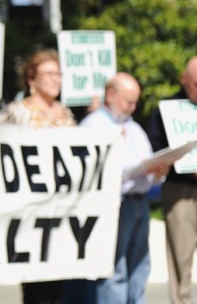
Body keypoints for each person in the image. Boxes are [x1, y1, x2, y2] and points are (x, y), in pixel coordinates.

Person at [0, 49, 76, 304]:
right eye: (48, 74)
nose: (55, 79)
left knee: (59, 286)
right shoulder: (17, 112)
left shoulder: (67, 114)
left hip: (63, 209)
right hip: (30, 211)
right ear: (32, 79)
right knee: (36, 287)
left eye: (58, 74)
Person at [80, 73, 166, 303]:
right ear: (110, 95)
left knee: (139, 265)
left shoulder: (135, 128)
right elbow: (94, 171)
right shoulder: (93, 125)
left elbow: (148, 165)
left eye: (135, 101)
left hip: (139, 202)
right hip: (114, 205)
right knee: (114, 269)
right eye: (128, 100)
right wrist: (135, 169)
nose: (133, 106)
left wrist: (157, 171)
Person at [147, 56, 197, 304]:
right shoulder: (167, 108)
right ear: (183, 80)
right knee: (181, 255)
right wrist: (179, 164)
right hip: (181, 190)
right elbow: (155, 150)